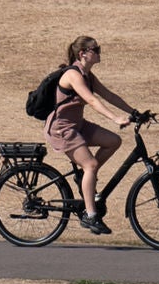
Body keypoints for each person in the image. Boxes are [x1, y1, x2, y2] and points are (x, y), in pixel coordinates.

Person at [28, 36, 143, 234]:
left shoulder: (88, 75)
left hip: (77, 125)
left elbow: (108, 95)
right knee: (91, 164)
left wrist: (134, 112)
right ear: (83, 53)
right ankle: (91, 216)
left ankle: (87, 177)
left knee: (113, 141)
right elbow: (91, 100)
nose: (99, 52)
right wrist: (115, 118)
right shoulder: (73, 75)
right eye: (95, 49)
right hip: (61, 129)